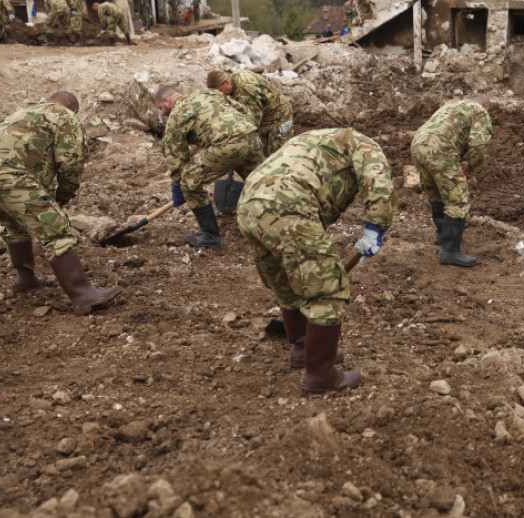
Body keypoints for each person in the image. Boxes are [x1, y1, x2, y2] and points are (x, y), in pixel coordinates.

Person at [238, 128, 393, 393]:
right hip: (287, 204)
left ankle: (301, 347)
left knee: (286, 279)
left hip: (249, 202)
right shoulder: (366, 146)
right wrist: (376, 227)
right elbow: (378, 181)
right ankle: (321, 375)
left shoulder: (314, 139)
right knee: (327, 289)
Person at [0, 92, 122, 313]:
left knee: (16, 224)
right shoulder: (65, 116)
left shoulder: (21, 114)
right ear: (74, 110)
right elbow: (71, 161)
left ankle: (26, 279)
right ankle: (83, 294)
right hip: (10, 175)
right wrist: (63, 196)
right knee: (54, 227)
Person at [155, 85, 264, 249]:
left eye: (161, 108)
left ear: (167, 100)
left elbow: (175, 154)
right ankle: (282, 224)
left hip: (226, 145)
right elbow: (244, 110)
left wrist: (179, 185)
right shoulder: (208, 93)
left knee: (189, 181)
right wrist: (243, 135)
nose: (163, 113)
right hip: (252, 137)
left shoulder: (176, 115)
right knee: (263, 183)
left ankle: (211, 237)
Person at [410, 95, 493, 267]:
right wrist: (471, 167)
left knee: (437, 191)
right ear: (487, 108)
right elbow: (479, 143)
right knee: (458, 199)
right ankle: (450, 251)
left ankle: (442, 234)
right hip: (440, 149)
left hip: (418, 145)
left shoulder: (451, 106)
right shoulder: (480, 111)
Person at [206, 69, 293, 157]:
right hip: (266, 114)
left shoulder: (244, 90)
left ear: (226, 82)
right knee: (264, 150)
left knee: (278, 152)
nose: (222, 94)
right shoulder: (236, 77)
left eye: (220, 91)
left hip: (280, 115)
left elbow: (253, 122)